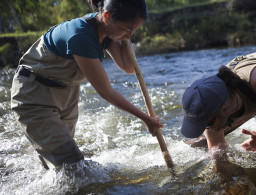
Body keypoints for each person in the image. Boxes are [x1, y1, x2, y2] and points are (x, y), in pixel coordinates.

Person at [10, 0, 163, 169]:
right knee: (73, 165)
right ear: (107, 16)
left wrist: (127, 36)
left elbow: (128, 67)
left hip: (66, 91)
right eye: (127, 28)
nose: (129, 35)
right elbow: (106, 92)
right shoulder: (81, 35)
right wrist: (145, 118)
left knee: (60, 163)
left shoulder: (108, 30)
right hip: (34, 94)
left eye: (134, 30)